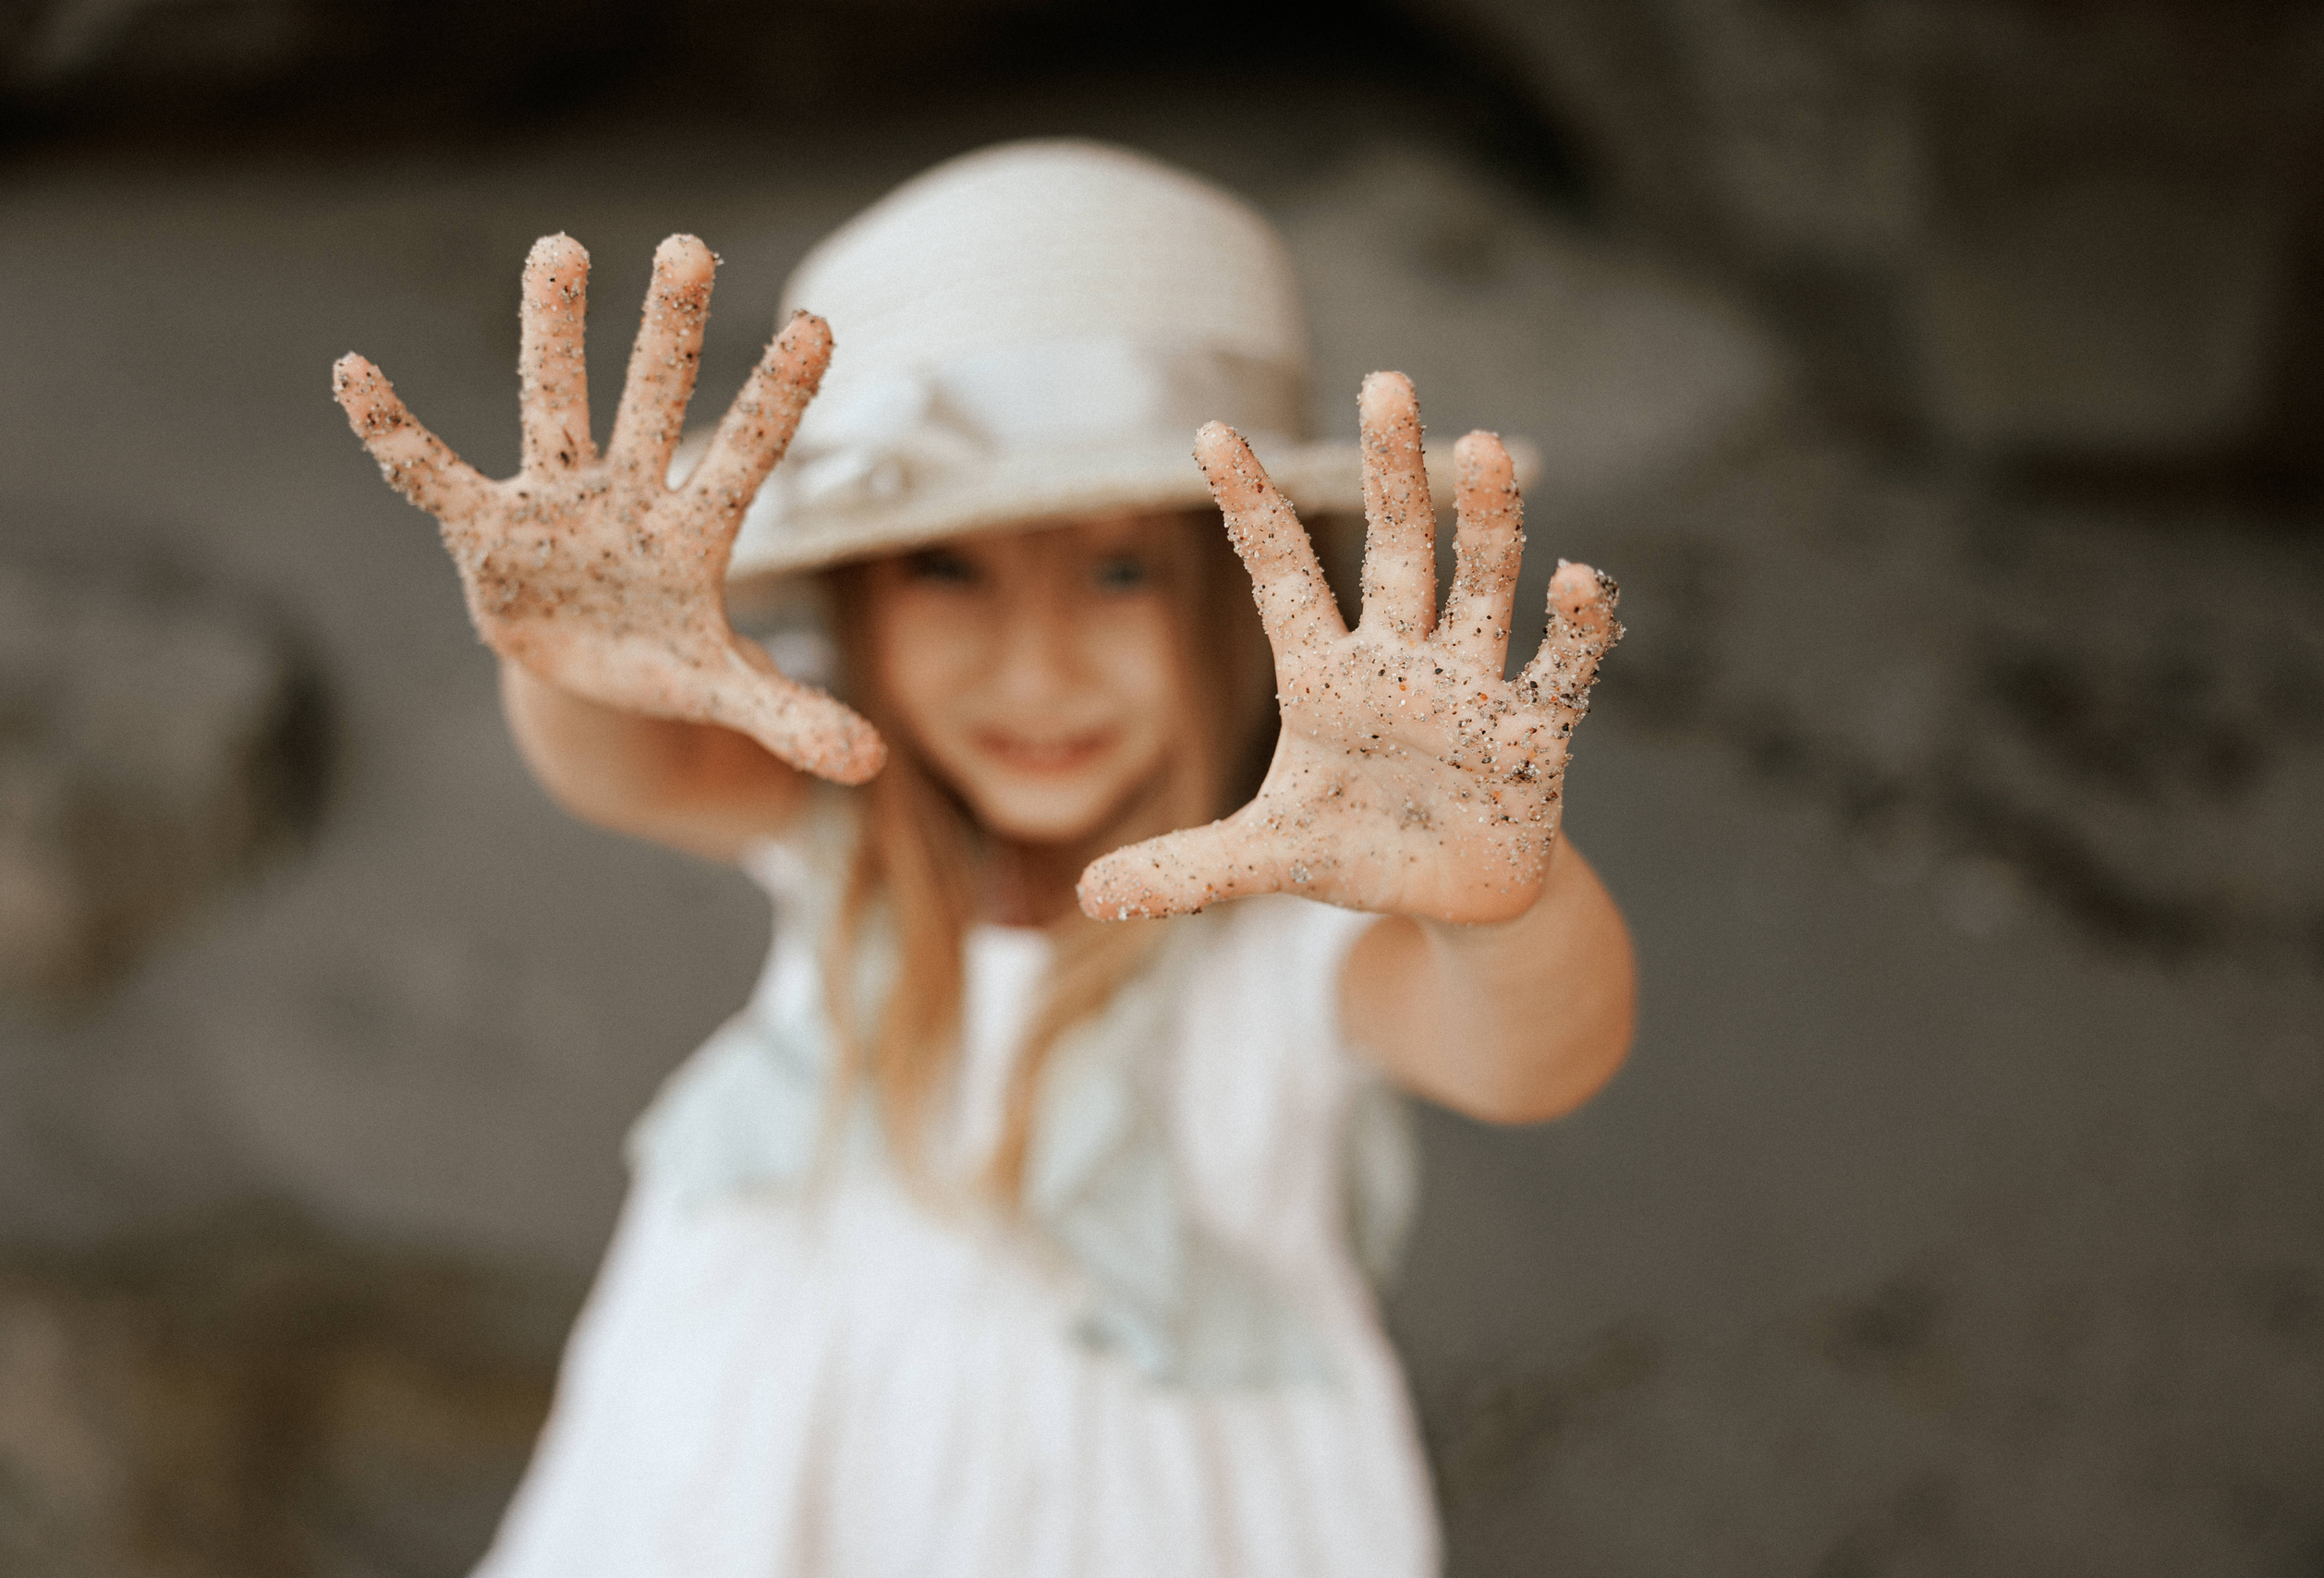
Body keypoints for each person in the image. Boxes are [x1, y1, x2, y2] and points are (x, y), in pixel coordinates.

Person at [333, 140, 1634, 1578]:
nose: (1037, 665)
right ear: (850, 602)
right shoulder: (853, 819)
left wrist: (1510, 909)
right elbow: (628, 764)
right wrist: (571, 665)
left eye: (1120, 569)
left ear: (1248, 602)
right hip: (758, 1473)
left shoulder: (1296, 924)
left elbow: (1535, 1058)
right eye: (947, 569)